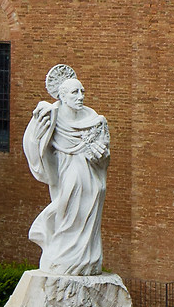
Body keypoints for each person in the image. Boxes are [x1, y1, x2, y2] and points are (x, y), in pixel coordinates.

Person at [23, 64, 110, 275]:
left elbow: (104, 154)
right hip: (66, 174)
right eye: (74, 92)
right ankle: (63, 257)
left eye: (82, 91)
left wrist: (102, 157)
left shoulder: (95, 121)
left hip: (92, 179)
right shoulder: (51, 116)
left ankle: (88, 259)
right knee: (68, 213)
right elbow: (32, 143)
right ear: (62, 96)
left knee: (88, 217)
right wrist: (37, 135)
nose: (80, 96)